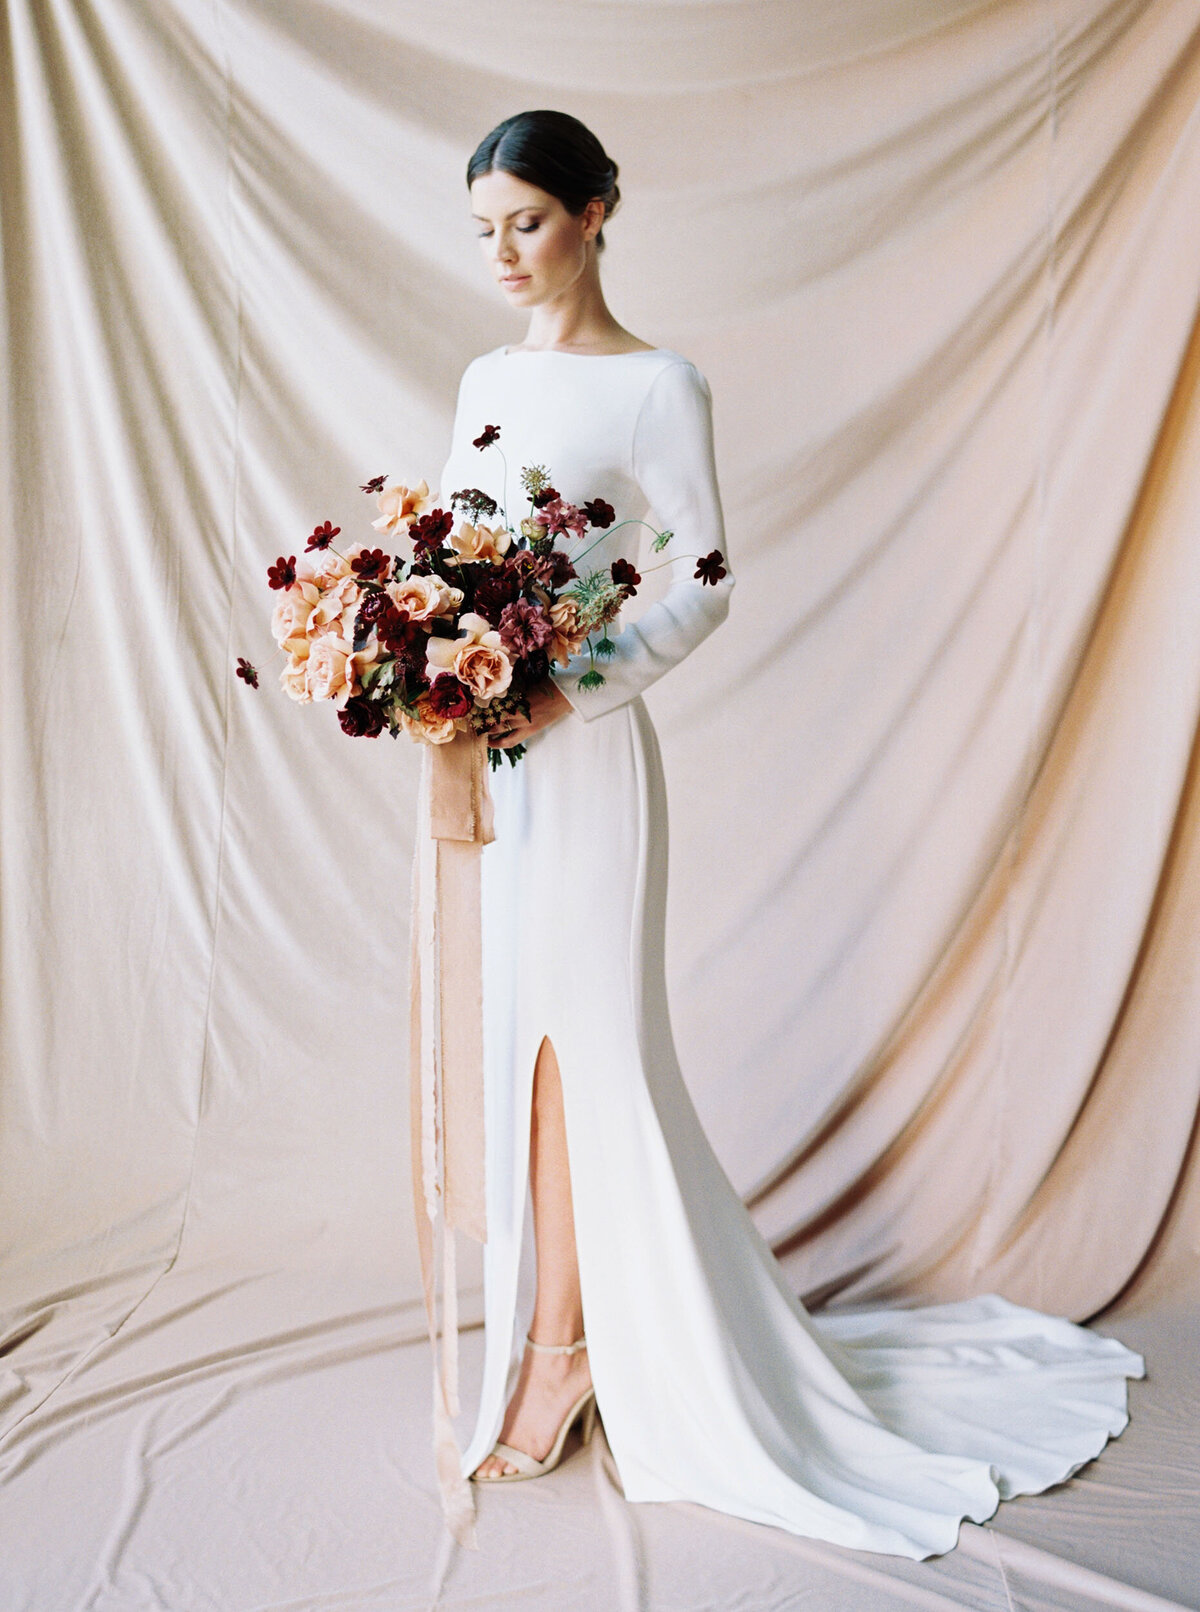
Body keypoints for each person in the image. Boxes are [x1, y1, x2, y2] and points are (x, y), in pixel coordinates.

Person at [434, 108, 1143, 1557]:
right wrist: (431, 682)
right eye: (486, 229)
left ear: (598, 210)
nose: (507, 254)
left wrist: (564, 690)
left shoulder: (658, 384)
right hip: (497, 765)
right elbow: (452, 565)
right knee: (525, 1056)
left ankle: (565, 1364)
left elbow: (699, 580)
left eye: (529, 220)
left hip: (590, 758)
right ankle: (562, 1338)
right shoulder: (483, 379)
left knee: (590, 1055)